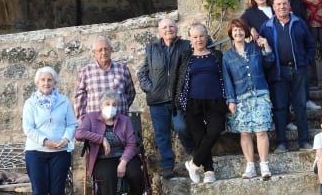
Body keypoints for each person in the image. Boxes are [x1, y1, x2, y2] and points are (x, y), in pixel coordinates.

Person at [76, 91, 144, 195]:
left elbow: (131, 144)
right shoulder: (90, 118)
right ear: (101, 105)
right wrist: (101, 139)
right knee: (108, 176)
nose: (111, 106)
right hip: (102, 158)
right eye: (107, 104)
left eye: (114, 104)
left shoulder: (124, 120)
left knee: (136, 174)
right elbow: (79, 134)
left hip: (124, 155)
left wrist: (124, 162)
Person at [22, 67, 76, 195]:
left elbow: (72, 124)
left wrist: (66, 139)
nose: (46, 83)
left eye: (49, 80)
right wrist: (45, 141)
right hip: (36, 151)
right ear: (38, 83)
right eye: (43, 80)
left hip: (60, 152)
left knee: (57, 189)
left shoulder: (63, 101)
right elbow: (28, 128)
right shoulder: (30, 103)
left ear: (55, 82)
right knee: (39, 190)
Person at [137, 17, 195, 180]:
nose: (168, 29)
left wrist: (196, 26)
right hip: (157, 101)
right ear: (159, 31)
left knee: (181, 126)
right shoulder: (151, 48)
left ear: (176, 29)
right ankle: (168, 167)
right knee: (162, 135)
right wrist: (151, 89)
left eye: (171, 26)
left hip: (178, 98)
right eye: (164, 27)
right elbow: (142, 73)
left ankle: (193, 150)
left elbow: (205, 44)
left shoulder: (185, 45)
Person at [260, 0, 316, 153]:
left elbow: (310, 44)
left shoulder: (299, 23)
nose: (282, 7)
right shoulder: (267, 26)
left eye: (284, 4)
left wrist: (307, 61)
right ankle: (281, 142)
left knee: (300, 106)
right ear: (273, 7)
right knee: (280, 107)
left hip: (298, 70)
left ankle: (304, 141)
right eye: (278, 4)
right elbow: (262, 49)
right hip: (278, 72)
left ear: (289, 6)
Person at [174, 23, 227, 184]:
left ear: (206, 36)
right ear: (190, 39)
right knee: (200, 137)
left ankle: (194, 163)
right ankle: (209, 171)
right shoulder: (185, 56)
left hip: (216, 100)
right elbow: (177, 79)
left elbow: (224, 76)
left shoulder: (216, 55)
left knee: (215, 131)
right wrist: (175, 100)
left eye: (201, 36)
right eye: (195, 37)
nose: (199, 39)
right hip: (193, 102)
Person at [222, 18, 274, 180]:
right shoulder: (227, 57)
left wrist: (266, 48)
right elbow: (227, 80)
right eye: (234, 30)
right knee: (244, 133)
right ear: (231, 34)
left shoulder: (254, 48)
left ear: (245, 32)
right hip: (240, 98)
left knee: (261, 131)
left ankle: (264, 165)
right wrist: (231, 100)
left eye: (240, 29)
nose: (238, 32)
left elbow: (269, 62)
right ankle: (250, 166)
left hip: (260, 94)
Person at [271, 0, 320, 110]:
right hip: (276, 44)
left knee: (300, 72)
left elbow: (303, 19)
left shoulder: (295, 0)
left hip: (296, 40)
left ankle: (306, 99)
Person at [74, 36, 136, 121]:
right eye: (100, 50)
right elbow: (79, 98)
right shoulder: (85, 72)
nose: (103, 52)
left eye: (106, 49)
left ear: (111, 50)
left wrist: (120, 107)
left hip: (119, 121)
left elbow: (130, 93)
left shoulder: (122, 69)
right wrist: (83, 120)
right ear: (94, 53)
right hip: (94, 123)